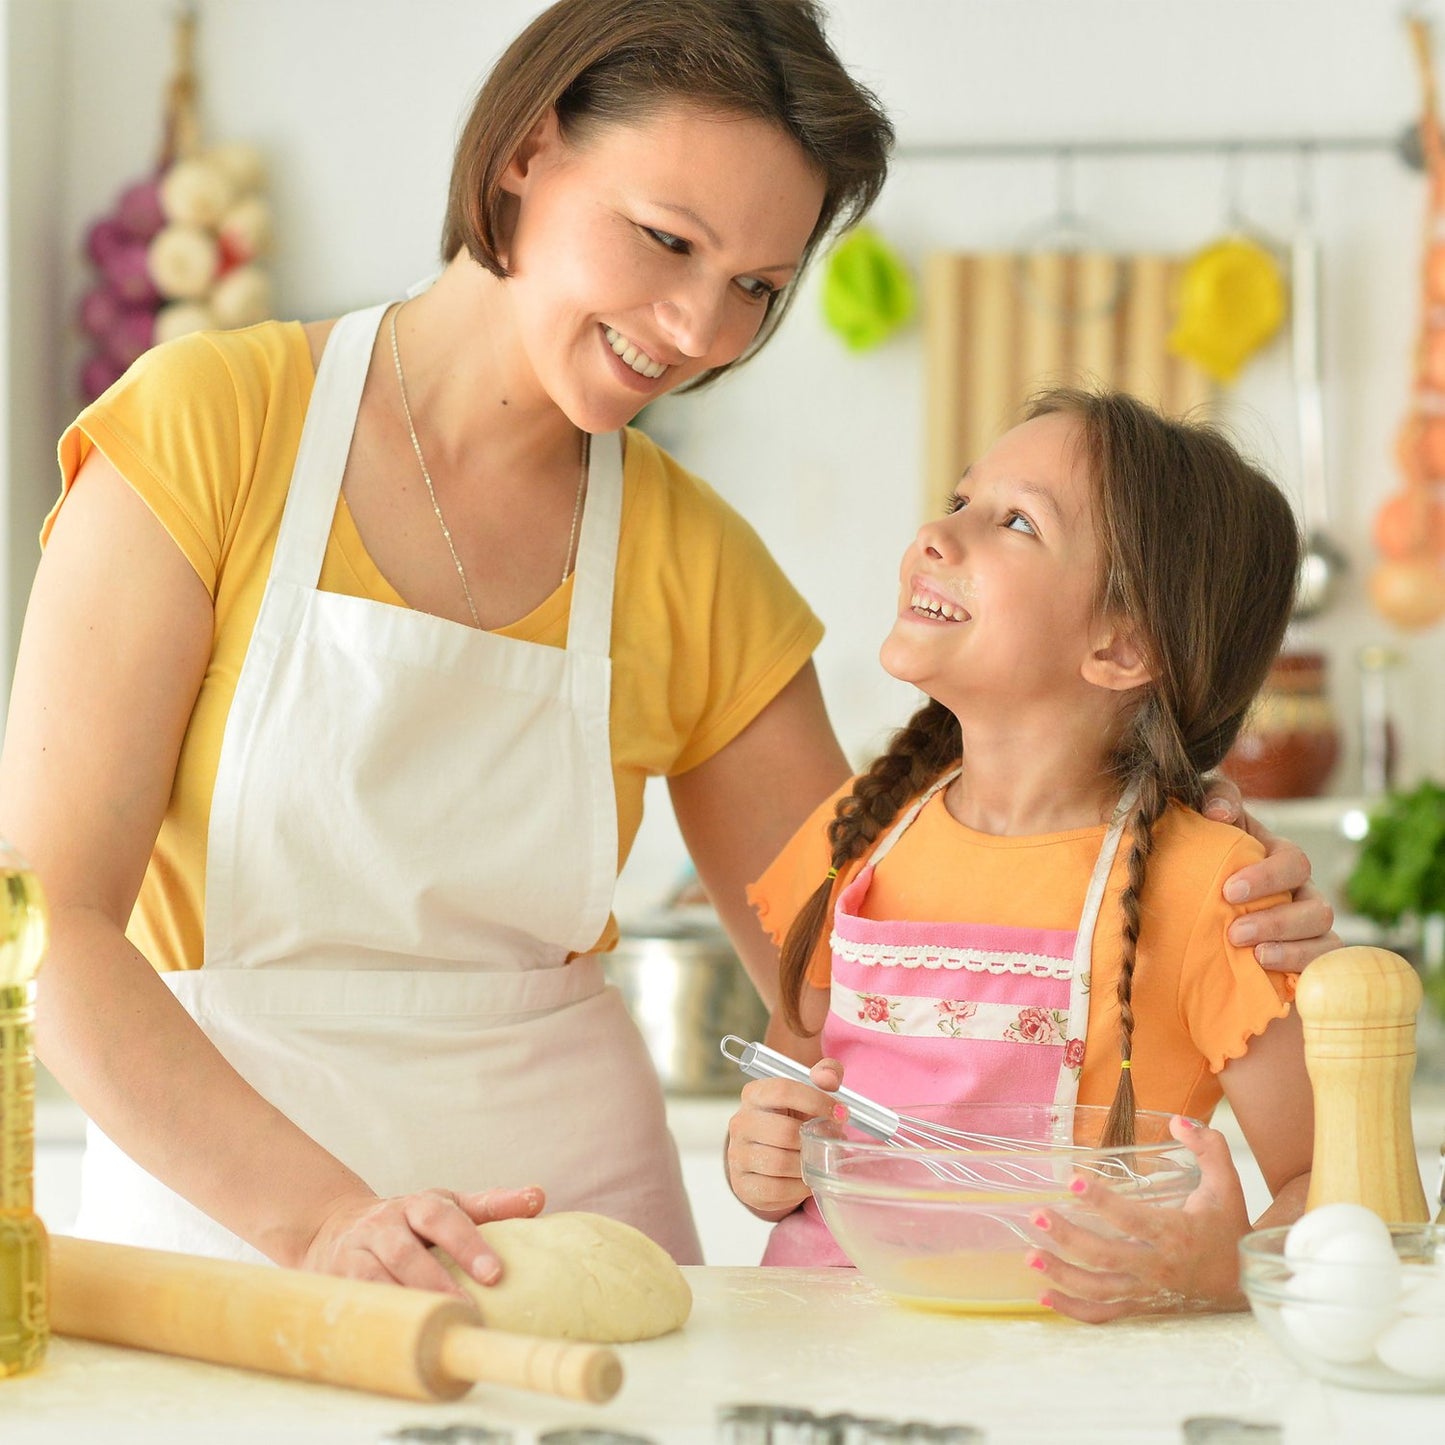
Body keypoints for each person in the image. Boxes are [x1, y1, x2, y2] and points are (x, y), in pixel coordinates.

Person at [0, 0, 1328, 1295]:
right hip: (232, 1221)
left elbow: (874, 973)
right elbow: (51, 928)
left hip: (570, 1233)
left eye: (755, 285)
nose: (699, 331)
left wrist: (1165, 842)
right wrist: (322, 1222)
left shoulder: (694, 563)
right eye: (665, 239)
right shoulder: (211, 431)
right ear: (527, 150)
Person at [725, 388, 1315, 1320]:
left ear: (1122, 643)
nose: (936, 531)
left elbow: (1338, 1186)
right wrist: (757, 1156)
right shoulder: (856, 835)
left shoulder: (1214, 890)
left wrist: (1224, 1268)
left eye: (1013, 522)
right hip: (828, 1355)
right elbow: (790, 1088)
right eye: (960, 500)